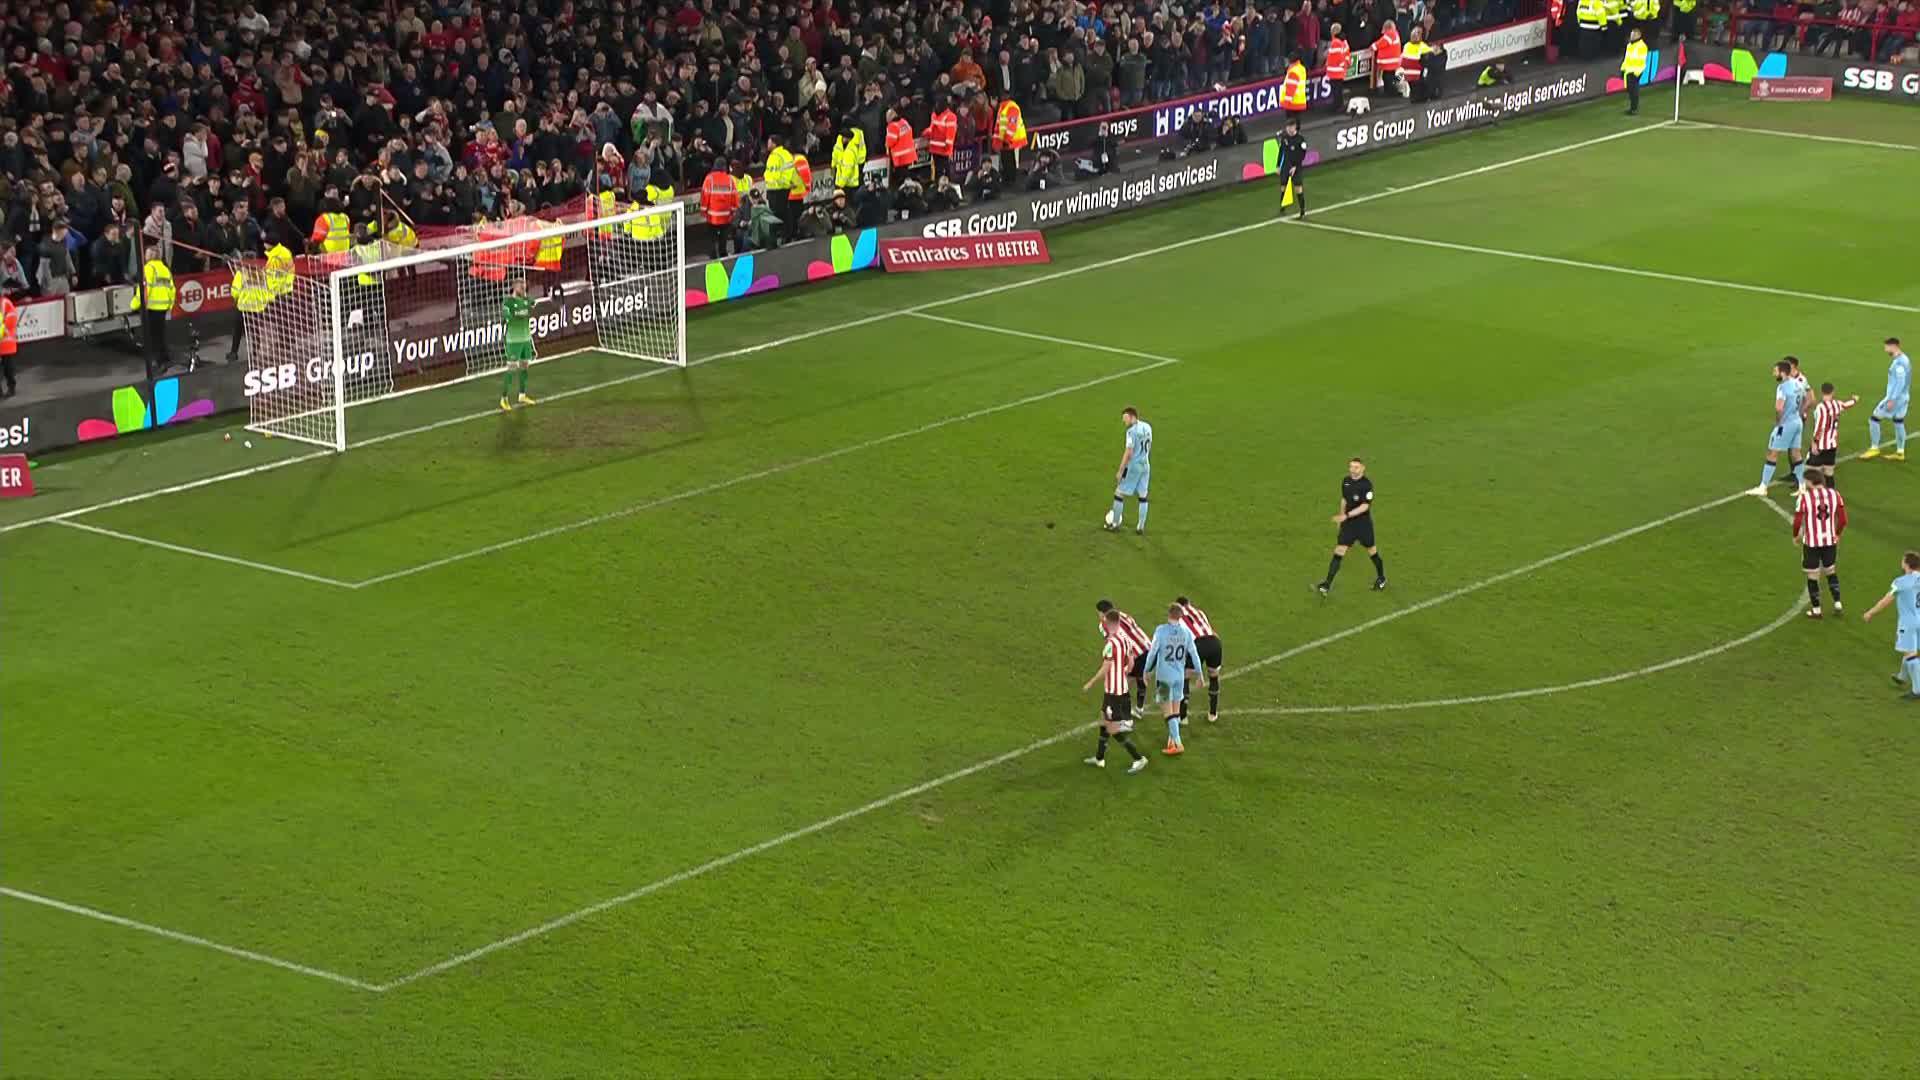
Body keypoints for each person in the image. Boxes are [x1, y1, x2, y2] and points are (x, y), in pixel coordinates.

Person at [1081, 610, 1150, 773]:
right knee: (1103, 721)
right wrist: (1122, 672)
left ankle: (1139, 758)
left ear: (1107, 623)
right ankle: (1099, 758)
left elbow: (1106, 668)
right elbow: (1131, 664)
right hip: (1120, 688)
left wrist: (1090, 683)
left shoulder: (1110, 644)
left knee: (1113, 729)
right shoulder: (1126, 640)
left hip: (1115, 693)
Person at [1142, 603, 1205, 756]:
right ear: (1181, 616)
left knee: (1167, 712)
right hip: (1179, 678)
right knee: (1175, 711)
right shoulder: (1187, 633)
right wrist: (1200, 674)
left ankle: (1177, 743)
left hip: (1164, 677)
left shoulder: (1161, 631)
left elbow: (1152, 653)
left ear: (1168, 614)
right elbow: (1195, 655)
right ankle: (1171, 742)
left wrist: (1146, 670)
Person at [1319, 458, 1386, 594]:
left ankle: (1381, 577)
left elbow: (1365, 506)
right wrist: (1341, 516)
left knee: (1372, 551)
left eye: (1356, 467)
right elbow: (1344, 499)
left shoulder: (1366, 485)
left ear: (1362, 468)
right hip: (1348, 524)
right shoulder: (1346, 481)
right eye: (1351, 467)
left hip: (1363, 525)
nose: (1352, 470)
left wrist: (1346, 516)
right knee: (1339, 551)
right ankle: (1327, 584)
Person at [1792, 471, 1848, 619]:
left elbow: (1797, 521)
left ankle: (1816, 610)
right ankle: (1837, 603)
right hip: (1829, 541)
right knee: (1830, 571)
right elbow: (1843, 519)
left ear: (1810, 482)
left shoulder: (1804, 498)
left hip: (1812, 543)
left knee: (1813, 575)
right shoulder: (1835, 495)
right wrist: (1837, 534)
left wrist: (1795, 536)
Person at [1864, 552, 1920, 698]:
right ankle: (1902, 676)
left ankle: (1917, 690)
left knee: (1910, 653)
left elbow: (1885, 601)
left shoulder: (1900, 582)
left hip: (1908, 623)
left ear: (1906, 564)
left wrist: (1871, 612)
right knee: (1910, 649)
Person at [1753, 358, 1810, 494]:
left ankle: (1763, 487)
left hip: (1786, 424)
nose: (1774, 374)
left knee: (1772, 453)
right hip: (1797, 422)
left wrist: (1778, 423)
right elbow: (1804, 399)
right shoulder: (1798, 384)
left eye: (1775, 371)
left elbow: (1779, 408)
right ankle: (1802, 486)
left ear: (1783, 373)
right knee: (1796, 454)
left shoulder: (1782, 387)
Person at [1096, 599, 1153, 715]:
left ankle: (1118, 710)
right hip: (1148, 648)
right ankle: (1138, 708)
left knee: (1126, 680)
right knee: (1139, 677)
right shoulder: (1124, 615)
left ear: (1102, 612)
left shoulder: (1104, 624)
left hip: (1134, 654)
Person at [1860, 337, 1911, 461]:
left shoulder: (1899, 363)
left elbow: (1900, 382)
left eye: (1886, 347)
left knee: (1874, 419)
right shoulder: (1905, 359)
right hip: (1904, 397)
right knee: (1898, 422)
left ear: (1894, 346)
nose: (1885, 349)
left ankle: (1874, 448)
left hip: (1896, 398)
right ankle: (1900, 452)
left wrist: (1892, 400)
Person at [1173, 597, 1223, 723]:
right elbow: (1212, 632)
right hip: (1214, 643)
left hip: (1197, 645)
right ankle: (1213, 714)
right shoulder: (1199, 612)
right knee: (1214, 676)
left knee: (1185, 677)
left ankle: (1183, 717)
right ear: (1188, 604)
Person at [1105, 406, 1153, 535]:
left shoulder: (1131, 432)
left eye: (1125, 419)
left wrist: (1121, 470)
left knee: (1119, 493)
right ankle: (1140, 527)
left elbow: (1129, 453)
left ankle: (1114, 525)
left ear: (1132, 416)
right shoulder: (1148, 427)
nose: (1124, 422)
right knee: (1143, 495)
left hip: (1134, 467)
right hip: (1146, 465)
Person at [132, 243, 175, 379]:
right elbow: (172, 289)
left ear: (149, 256)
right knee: (160, 335)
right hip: (163, 307)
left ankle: (160, 363)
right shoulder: (165, 269)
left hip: (152, 307)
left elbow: (145, 289)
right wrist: (170, 305)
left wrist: (134, 304)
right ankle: (166, 359)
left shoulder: (148, 269)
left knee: (154, 337)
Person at [1808, 382, 1860, 489]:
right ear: (1833, 392)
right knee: (1829, 472)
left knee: (1812, 473)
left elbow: (1820, 427)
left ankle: (1817, 498)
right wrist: (1854, 399)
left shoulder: (1821, 408)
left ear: (1822, 392)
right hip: (1832, 444)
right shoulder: (1837, 404)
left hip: (1821, 445)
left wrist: (1814, 442)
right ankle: (1831, 495)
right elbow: (1846, 405)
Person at [499, 277, 537, 412]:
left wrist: (525, 303)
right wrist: (520, 311)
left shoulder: (526, 300)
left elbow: (533, 304)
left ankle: (522, 395)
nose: (524, 289)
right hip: (513, 341)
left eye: (525, 287)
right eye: (522, 287)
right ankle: (504, 398)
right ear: (515, 287)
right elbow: (507, 319)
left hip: (525, 339)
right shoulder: (508, 302)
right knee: (512, 368)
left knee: (525, 366)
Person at [700, 160, 741, 260]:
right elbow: (735, 197)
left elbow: (705, 196)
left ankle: (713, 257)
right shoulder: (729, 179)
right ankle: (723, 255)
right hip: (726, 216)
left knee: (712, 239)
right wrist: (733, 211)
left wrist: (703, 211)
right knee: (723, 239)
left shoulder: (709, 179)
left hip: (712, 216)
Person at [1276, 116, 1308, 219]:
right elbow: (1281, 151)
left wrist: (1295, 166)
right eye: (1287, 127)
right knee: (1283, 187)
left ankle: (1302, 211)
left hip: (1296, 166)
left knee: (1298, 188)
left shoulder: (1300, 140)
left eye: (1290, 127)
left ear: (1294, 127)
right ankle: (1282, 208)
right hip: (1286, 165)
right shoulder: (1285, 138)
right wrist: (1278, 165)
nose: (1288, 129)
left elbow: (1302, 155)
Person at [992, 93, 1027, 180]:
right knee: (1006, 160)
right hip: (1006, 140)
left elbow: (1012, 126)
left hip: (1012, 140)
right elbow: (1001, 126)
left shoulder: (1011, 107)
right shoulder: (1003, 107)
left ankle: (1011, 179)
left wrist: (1006, 140)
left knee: (1009, 161)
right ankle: (1008, 178)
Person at [1622, 28, 1649, 115]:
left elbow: (1642, 61)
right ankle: (1632, 107)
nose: (1631, 36)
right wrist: (1623, 68)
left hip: (1636, 71)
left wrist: (1637, 72)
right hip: (1628, 70)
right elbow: (1627, 58)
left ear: (1638, 35)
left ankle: (1634, 108)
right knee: (1630, 89)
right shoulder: (1629, 45)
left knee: (1634, 89)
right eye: (1631, 35)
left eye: (1633, 35)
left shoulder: (1642, 46)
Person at [1325, 25, 1351, 112]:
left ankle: (1338, 107)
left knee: (1336, 90)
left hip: (1335, 70)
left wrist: (1342, 64)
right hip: (1340, 70)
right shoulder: (1344, 41)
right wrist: (1346, 64)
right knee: (1338, 89)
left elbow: (1337, 56)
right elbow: (1346, 53)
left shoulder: (1335, 42)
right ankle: (1339, 105)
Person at [0, 293, 16, 397]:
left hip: (6, 343)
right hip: (4, 340)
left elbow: (12, 317)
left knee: (8, 368)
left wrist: (3, 330)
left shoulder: (4, 302)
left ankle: (11, 387)